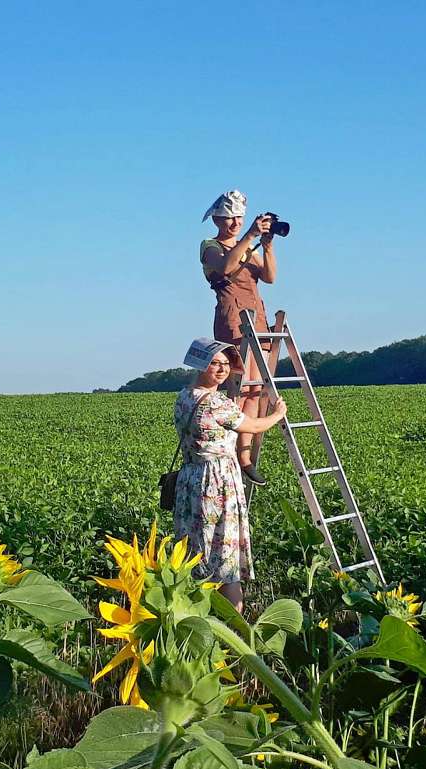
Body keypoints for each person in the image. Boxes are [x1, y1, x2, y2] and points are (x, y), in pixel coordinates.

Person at [173, 337, 287, 613]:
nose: (222, 369)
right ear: (201, 365)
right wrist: (277, 414)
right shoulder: (216, 403)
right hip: (217, 480)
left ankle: (196, 611)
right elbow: (253, 425)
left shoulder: (185, 395)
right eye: (215, 363)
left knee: (194, 548)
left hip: (190, 479)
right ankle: (233, 625)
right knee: (223, 551)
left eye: (225, 363)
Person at [199, 189, 278, 485]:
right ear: (218, 218)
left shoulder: (248, 246)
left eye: (239, 217)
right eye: (230, 217)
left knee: (256, 391)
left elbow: (269, 277)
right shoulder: (210, 246)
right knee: (239, 388)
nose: (235, 223)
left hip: (257, 319)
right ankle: (234, 455)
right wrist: (248, 236)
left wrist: (267, 245)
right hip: (233, 319)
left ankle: (247, 457)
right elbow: (227, 267)